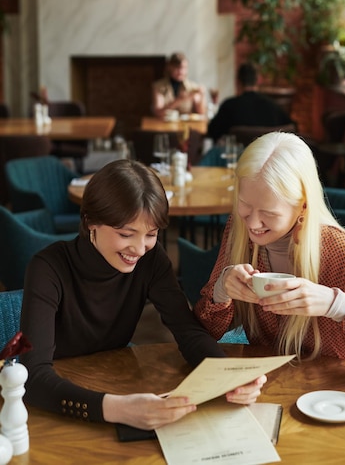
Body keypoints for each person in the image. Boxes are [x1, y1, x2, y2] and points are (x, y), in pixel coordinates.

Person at [20, 159, 266, 430]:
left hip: (116, 381)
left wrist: (228, 376)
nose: (139, 249)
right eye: (126, 234)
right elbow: (33, 377)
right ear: (90, 221)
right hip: (58, 401)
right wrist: (118, 409)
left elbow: (188, 332)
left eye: (151, 234)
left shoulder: (151, 260)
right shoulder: (48, 268)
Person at [194, 132, 345, 382]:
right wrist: (221, 290)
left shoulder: (339, 252)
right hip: (272, 386)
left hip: (337, 393)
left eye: (268, 212)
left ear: (303, 206)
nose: (253, 223)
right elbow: (201, 334)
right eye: (244, 204)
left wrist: (336, 305)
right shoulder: (239, 230)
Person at [207, 63, 294, 143]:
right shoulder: (273, 106)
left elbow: (212, 131)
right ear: (258, 80)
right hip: (267, 157)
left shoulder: (229, 106)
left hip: (236, 158)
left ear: (238, 82)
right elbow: (291, 128)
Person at [151, 52, 206, 118]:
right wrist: (178, 100)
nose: (181, 71)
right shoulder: (158, 86)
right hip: (164, 125)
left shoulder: (192, 87)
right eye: (177, 67)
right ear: (169, 67)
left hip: (186, 126)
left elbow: (201, 113)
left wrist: (202, 96)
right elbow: (158, 113)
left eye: (184, 68)